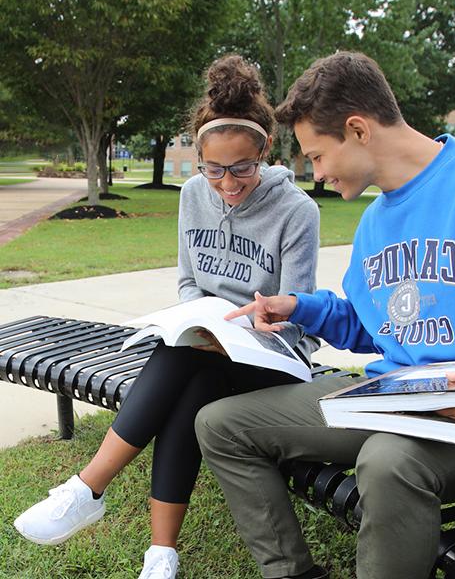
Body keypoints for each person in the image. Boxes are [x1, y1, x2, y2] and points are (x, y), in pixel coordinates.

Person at [194, 51, 455, 579]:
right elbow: (376, 326)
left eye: (317, 156)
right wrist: (299, 308)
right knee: (221, 424)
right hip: (395, 398)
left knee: (388, 462)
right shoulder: (375, 223)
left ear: (358, 129)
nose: (316, 174)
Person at [13, 55, 320, 579]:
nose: (227, 183)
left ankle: (87, 489)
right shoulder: (194, 195)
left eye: (241, 168)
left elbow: (299, 319)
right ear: (199, 160)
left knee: (183, 360)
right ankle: (161, 556)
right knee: (190, 380)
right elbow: (187, 282)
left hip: (271, 356)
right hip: (204, 347)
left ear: (264, 152)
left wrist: (240, 330)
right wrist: (200, 319)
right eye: (213, 168)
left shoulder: (296, 211)